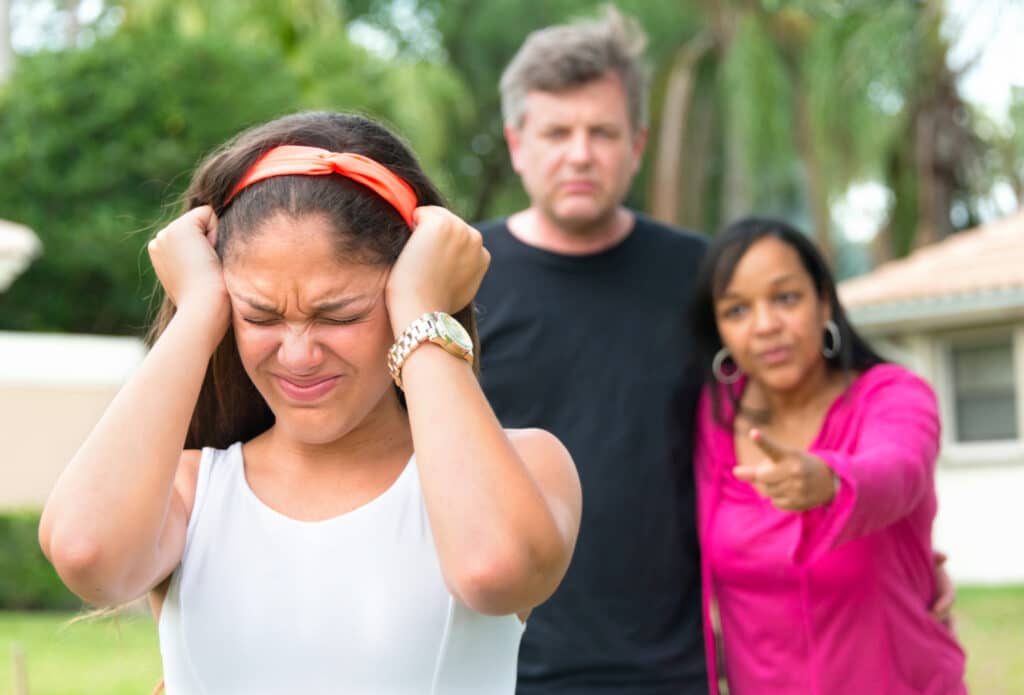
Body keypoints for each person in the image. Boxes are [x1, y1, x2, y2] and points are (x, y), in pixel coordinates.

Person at [38, 111, 582, 693]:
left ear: (405, 293)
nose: (297, 356)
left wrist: (425, 312)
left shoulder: (526, 467)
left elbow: (492, 570)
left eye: (339, 314)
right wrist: (197, 310)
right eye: (260, 315)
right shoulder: (186, 493)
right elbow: (84, 553)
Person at [474, 8, 708, 694]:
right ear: (518, 143)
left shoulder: (702, 276)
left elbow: (815, 405)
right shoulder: (456, 275)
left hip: (673, 666)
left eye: (602, 132)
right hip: (496, 660)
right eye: (556, 132)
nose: (580, 153)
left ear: (636, 143)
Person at [690, 216, 967, 694]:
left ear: (824, 302)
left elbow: (901, 469)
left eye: (786, 298)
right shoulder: (711, 419)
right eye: (737, 310)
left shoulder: (892, 396)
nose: (765, 326)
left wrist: (832, 481)